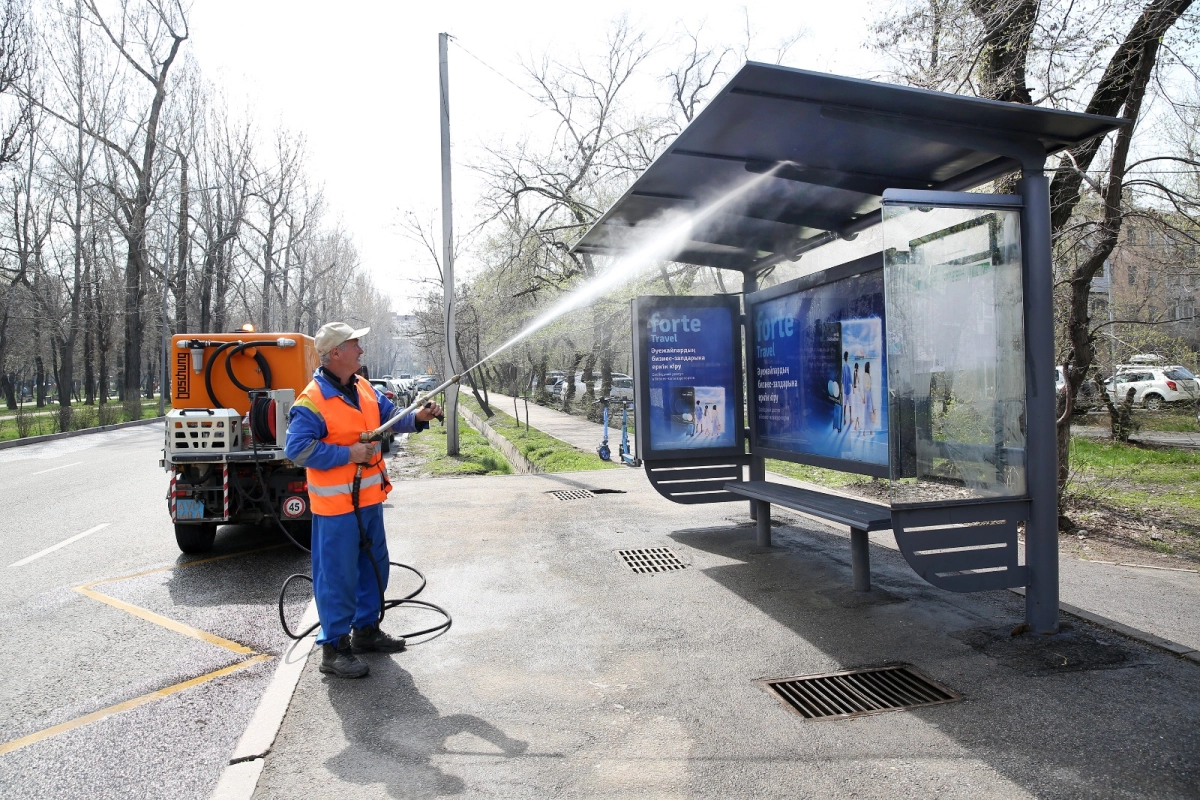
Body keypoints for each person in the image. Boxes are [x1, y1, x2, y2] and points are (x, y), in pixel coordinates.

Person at [285, 321, 443, 679]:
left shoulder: (364, 388)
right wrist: (348, 454)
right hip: (336, 510)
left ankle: (366, 632)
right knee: (337, 578)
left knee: (374, 567)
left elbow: (390, 420)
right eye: (355, 344)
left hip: (369, 502)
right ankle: (334, 649)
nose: (361, 350)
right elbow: (296, 450)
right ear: (335, 352)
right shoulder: (312, 399)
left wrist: (418, 416)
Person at [841, 351, 852, 431]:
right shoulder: (848, 367)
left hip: (844, 388)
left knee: (844, 405)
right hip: (848, 388)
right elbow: (851, 379)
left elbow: (842, 379)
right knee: (850, 405)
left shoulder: (843, 367)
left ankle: (844, 419)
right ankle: (851, 419)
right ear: (847, 357)